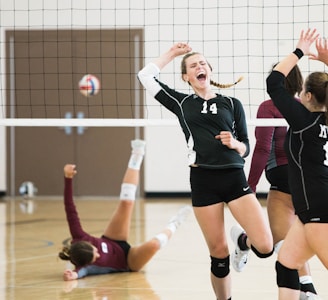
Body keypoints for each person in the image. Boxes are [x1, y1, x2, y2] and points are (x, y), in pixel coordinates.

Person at [138, 44, 274, 300]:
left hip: (234, 177)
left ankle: (242, 242)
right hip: (203, 180)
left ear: (210, 70)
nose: (199, 67)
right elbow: (145, 76)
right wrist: (173, 55)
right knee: (218, 252)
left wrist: (235, 144)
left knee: (265, 247)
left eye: (203, 63)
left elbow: (246, 146)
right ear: (186, 77)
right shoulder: (181, 102)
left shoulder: (232, 103)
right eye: (193, 65)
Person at [58, 139, 192, 281]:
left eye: (95, 251)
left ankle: (137, 153)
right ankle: (175, 224)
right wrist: (73, 275)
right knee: (154, 245)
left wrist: (68, 178)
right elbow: (81, 272)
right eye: (95, 258)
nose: (98, 255)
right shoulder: (85, 266)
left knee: (127, 203)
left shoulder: (79, 235)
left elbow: (69, 208)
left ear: (87, 244)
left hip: (113, 239)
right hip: (128, 261)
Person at [248, 65, 320, 299]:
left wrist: (249, 187)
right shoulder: (308, 110)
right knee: (288, 247)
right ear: (300, 84)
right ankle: (308, 288)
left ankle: (243, 241)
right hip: (307, 179)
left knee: (278, 245)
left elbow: (261, 148)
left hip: (282, 177)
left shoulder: (270, 107)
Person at [266, 28, 328, 300]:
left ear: (307, 97)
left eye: (302, 90)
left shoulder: (304, 122)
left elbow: (274, 82)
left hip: (319, 209)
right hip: (310, 210)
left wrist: (300, 50)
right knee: (287, 264)